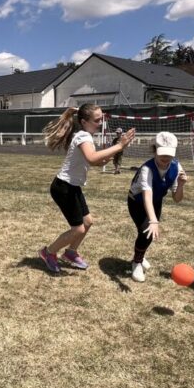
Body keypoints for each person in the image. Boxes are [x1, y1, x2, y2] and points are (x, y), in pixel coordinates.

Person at [38, 104, 135, 274]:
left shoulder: (85, 136)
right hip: (63, 187)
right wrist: (119, 146)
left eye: (101, 119)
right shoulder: (83, 136)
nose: (100, 123)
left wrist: (114, 152)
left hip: (72, 186)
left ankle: (70, 252)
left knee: (88, 222)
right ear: (84, 122)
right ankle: (48, 252)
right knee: (78, 229)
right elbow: (92, 158)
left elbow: (96, 161)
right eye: (97, 120)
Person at [127, 131, 187, 282]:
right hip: (137, 201)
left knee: (149, 233)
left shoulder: (176, 167)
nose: (165, 158)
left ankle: (140, 256)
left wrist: (181, 185)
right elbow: (147, 196)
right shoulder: (147, 169)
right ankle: (137, 262)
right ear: (154, 150)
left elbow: (177, 199)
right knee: (146, 231)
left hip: (156, 200)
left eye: (169, 154)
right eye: (162, 154)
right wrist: (153, 220)